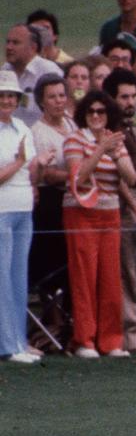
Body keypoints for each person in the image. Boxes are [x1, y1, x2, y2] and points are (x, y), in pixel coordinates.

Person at [62, 89, 136, 357]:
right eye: (91, 111)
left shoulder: (114, 139)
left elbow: (131, 178)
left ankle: (111, 340)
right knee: (84, 276)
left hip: (110, 212)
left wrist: (116, 152)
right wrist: (99, 150)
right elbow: (78, 178)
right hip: (81, 212)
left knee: (110, 277)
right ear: (84, 114)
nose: (96, 116)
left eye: (101, 111)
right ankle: (85, 340)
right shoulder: (75, 139)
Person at [102, 68, 136, 354]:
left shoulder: (130, 125)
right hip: (117, 208)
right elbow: (118, 179)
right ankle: (127, 335)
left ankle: (132, 333)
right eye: (124, 97)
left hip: (131, 205)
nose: (130, 102)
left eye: (133, 96)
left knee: (131, 271)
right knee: (125, 274)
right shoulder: (111, 130)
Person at [0, 70, 48, 364]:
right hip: (2, 210)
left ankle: (19, 339)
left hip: (23, 210)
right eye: (2, 96)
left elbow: (31, 172)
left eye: (10, 96)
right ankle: (8, 345)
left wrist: (38, 167)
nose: (6, 100)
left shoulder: (22, 128)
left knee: (19, 277)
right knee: (2, 278)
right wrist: (18, 161)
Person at [30, 74, 77, 348]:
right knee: (51, 264)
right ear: (41, 102)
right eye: (52, 97)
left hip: (74, 200)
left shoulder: (71, 123)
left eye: (62, 95)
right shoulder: (39, 131)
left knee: (70, 263)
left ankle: (70, 321)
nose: (59, 101)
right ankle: (53, 322)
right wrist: (77, 174)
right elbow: (47, 174)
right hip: (50, 202)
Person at [3, 23, 63, 127]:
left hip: (41, 137)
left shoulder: (48, 71)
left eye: (15, 43)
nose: (9, 47)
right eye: (8, 42)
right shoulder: (5, 70)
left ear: (33, 47)